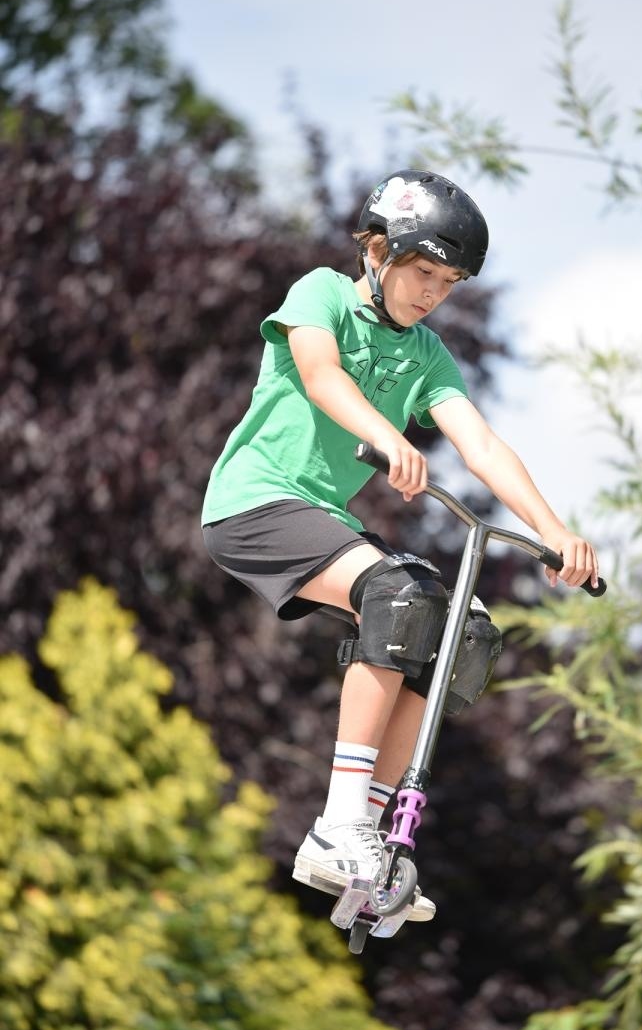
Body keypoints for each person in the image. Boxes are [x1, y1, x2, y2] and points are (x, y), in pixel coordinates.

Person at [202, 169, 600, 923]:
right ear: (377, 250)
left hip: (324, 518)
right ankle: (338, 823)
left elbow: (479, 443)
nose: (431, 293)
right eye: (422, 272)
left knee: (461, 628)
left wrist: (552, 532)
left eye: (448, 282)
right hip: (254, 503)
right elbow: (319, 375)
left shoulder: (424, 353)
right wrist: (383, 432)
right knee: (397, 594)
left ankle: (373, 838)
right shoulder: (320, 293)